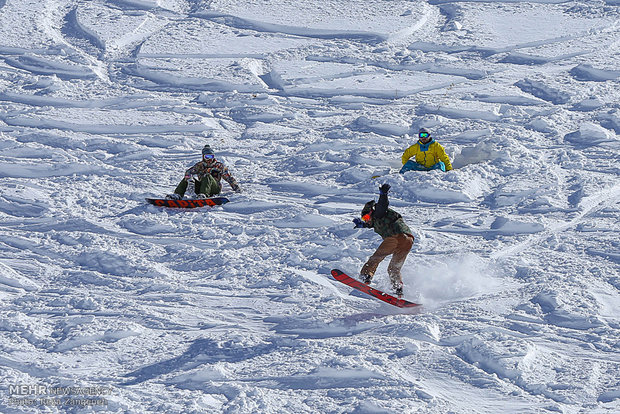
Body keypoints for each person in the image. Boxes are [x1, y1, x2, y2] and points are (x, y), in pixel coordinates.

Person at [353, 184, 414, 297]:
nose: (366, 221)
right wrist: (362, 224)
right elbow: (372, 224)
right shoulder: (376, 219)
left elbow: (382, 205)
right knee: (393, 268)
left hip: (395, 237)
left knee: (375, 259)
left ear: (371, 212)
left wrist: (383, 194)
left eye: (366, 217)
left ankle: (366, 277)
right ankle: (398, 290)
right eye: (364, 219)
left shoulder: (379, 212)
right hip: (408, 240)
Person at [166, 144, 241, 200]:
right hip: (201, 187)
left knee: (207, 175)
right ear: (203, 157)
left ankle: (203, 195)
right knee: (186, 178)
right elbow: (188, 172)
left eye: (211, 157)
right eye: (207, 157)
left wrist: (236, 188)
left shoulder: (219, 166)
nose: (209, 159)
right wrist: (190, 180)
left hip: (214, 189)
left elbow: (229, 178)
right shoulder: (199, 166)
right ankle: (177, 195)